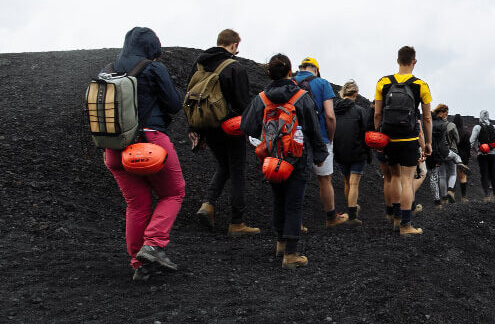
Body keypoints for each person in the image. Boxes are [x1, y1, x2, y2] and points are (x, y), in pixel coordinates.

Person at [103, 27, 185, 281]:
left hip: (114, 149)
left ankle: (139, 264)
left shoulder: (108, 69)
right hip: (150, 144)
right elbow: (173, 104)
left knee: (136, 205)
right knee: (173, 192)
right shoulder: (152, 67)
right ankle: (152, 245)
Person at [241, 54, 328, 269]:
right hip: (298, 157)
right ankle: (291, 254)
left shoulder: (261, 98)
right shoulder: (301, 96)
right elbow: (314, 129)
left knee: (278, 198)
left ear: (269, 73)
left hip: (272, 157)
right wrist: (318, 155)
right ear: (290, 72)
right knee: (294, 202)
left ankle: (280, 243)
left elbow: (247, 126)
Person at [189, 29, 260, 237]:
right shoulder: (234, 67)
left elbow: (191, 95)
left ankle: (208, 204)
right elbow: (242, 102)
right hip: (230, 127)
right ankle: (237, 223)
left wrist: (194, 128)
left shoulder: (199, 64)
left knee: (223, 165)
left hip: (206, 124)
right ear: (234, 45)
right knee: (237, 171)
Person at [373, 46, 432, 235]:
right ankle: (406, 225)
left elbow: (377, 113)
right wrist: (428, 143)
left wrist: (378, 134)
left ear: (398, 60)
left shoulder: (383, 82)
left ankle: (394, 217)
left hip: (388, 137)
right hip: (409, 138)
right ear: (414, 61)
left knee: (393, 177)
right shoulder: (421, 85)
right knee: (407, 180)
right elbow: (427, 118)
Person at [293, 57, 347, 227]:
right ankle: (331, 217)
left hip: (294, 138)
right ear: (315, 70)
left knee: (296, 180)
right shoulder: (322, 83)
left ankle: (296, 223)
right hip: (320, 138)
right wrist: (330, 138)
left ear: (301, 68)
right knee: (325, 179)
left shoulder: (290, 82)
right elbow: (330, 116)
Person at [332, 79, 369, 224]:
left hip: (340, 151)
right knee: (354, 184)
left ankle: (350, 208)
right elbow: (365, 132)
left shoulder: (334, 110)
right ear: (355, 94)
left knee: (347, 182)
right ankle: (353, 216)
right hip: (357, 151)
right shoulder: (359, 111)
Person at [470, 110, 495, 200]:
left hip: (482, 155)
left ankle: (487, 195)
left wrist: (470, 152)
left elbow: (471, 142)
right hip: (493, 155)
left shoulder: (477, 127)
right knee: (493, 174)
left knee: (484, 174)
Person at [452, 114, 471, 200]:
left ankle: (452, 194)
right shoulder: (466, 132)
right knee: (463, 176)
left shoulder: (451, 131)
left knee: (453, 175)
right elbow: (468, 147)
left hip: (453, 155)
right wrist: (467, 159)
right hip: (463, 157)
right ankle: (463, 197)